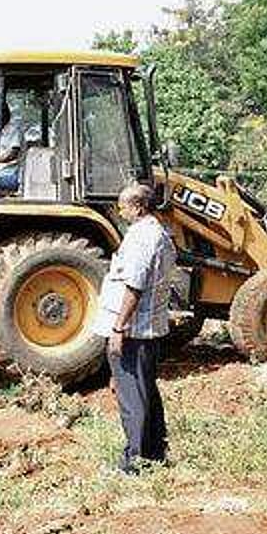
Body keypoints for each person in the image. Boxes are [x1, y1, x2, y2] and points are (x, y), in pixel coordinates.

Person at [92, 183, 177, 474]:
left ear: (138, 207)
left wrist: (119, 327)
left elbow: (134, 285)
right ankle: (155, 455)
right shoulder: (160, 234)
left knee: (132, 399)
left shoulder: (142, 238)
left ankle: (134, 463)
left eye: (123, 206)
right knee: (146, 392)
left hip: (133, 331)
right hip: (147, 330)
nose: (120, 210)